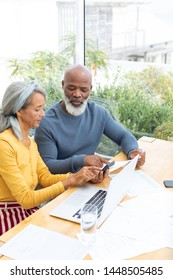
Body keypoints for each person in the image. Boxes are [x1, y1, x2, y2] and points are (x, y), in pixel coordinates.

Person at [0, 81, 102, 236]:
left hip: (25, 211)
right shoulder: (4, 145)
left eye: (43, 108)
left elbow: (45, 177)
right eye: (37, 109)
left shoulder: (30, 143)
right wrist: (70, 181)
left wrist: (77, 177)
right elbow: (26, 199)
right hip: (7, 216)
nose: (43, 114)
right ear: (19, 110)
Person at [35, 64, 145, 177]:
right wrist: (82, 161)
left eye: (84, 90)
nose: (77, 94)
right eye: (71, 88)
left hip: (88, 180)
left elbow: (124, 136)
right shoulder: (46, 122)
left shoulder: (98, 113)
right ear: (63, 85)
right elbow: (48, 166)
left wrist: (132, 151)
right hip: (62, 186)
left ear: (90, 89)